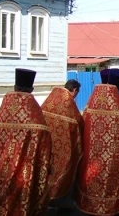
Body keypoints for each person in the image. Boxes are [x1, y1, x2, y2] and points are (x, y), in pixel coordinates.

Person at [74, 68, 119, 215]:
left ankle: (91, 203)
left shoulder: (90, 105)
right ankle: (115, 204)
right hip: (114, 159)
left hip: (93, 158)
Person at [0, 68, 52, 215]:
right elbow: (44, 138)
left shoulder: (5, 106)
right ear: (31, 89)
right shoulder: (33, 110)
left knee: (3, 193)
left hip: (3, 165)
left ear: (15, 87)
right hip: (26, 168)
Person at [41, 79, 84, 211]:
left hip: (47, 145)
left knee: (47, 171)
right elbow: (80, 123)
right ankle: (60, 201)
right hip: (64, 147)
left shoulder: (50, 99)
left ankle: (45, 199)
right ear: (75, 90)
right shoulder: (68, 102)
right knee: (65, 170)